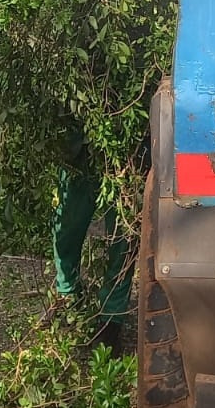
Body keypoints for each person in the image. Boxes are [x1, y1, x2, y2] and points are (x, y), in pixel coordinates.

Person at [45, 127, 136, 358]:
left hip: (126, 144)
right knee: (66, 226)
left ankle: (111, 319)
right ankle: (69, 297)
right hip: (76, 147)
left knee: (123, 235)